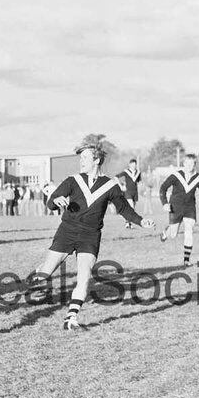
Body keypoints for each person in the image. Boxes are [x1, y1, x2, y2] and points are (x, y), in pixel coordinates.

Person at [27, 141, 155, 330]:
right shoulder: (73, 180)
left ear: (96, 160)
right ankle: (39, 273)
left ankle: (71, 317)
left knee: (84, 275)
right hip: (67, 231)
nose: (81, 161)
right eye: (80, 158)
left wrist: (140, 221)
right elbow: (51, 203)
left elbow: (124, 208)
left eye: (85, 157)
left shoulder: (110, 185)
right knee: (46, 273)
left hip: (90, 235)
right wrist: (55, 200)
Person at [159, 153, 199, 268]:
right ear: (184, 163)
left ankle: (186, 260)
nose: (190, 166)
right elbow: (163, 188)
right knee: (173, 235)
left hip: (190, 208)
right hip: (175, 207)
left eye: (192, 164)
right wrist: (165, 203)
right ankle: (166, 232)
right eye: (187, 163)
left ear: (195, 164)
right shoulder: (176, 175)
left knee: (189, 230)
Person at [116, 159, 142, 228]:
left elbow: (139, 182)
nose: (133, 166)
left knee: (133, 208)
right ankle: (128, 223)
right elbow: (116, 177)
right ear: (129, 165)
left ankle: (128, 223)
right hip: (128, 192)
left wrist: (141, 188)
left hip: (135, 192)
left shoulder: (138, 172)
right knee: (131, 207)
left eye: (135, 164)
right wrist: (121, 186)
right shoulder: (126, 172)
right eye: (132, 164)